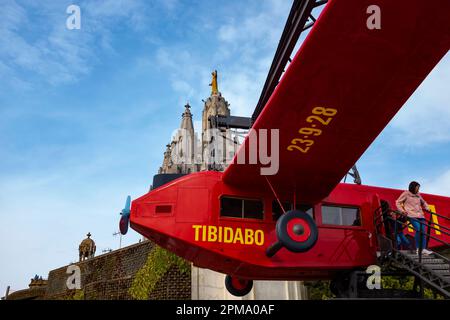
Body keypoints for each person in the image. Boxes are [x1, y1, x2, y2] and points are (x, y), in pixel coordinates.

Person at [396, 181, 432, 255]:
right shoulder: (406, 194)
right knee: (418, 230)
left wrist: (427, 207)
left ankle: (423, 249)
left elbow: (424, 202)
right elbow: (398, 202)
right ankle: (418, 248)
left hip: (420, 215)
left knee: (423, 232)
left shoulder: (418, 195)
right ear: (412, 187)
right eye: (417, 188)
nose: (418, 189)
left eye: (418, 188)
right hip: (411, 215)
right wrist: (402, 211)